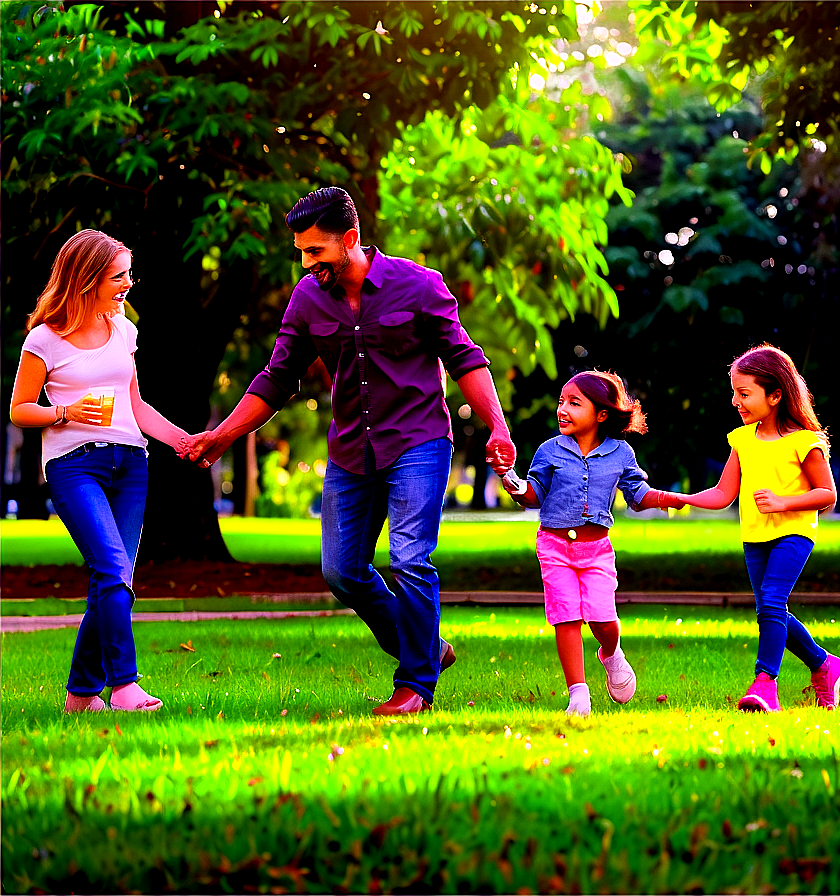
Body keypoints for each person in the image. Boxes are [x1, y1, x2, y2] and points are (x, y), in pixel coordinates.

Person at [181, 187, 515, 715]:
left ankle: (415, 688)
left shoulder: (419, 286)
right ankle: (426, 645)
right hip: (351, 452)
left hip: (418, 441)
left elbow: (465, 359)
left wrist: (497, 427)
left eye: (316, 252)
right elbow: (276, 379)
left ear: (351, 240)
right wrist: (220, 437)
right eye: (302, 252)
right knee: (342, 572)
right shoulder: (308, 298)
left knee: (410, 559)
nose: (307, 264)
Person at [9, 230, 190, 713]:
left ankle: (81, 696)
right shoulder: (44, 338)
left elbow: (135, 403)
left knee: (116, 578)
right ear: (87, 279)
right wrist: (62, 414)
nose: (128, 283)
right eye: (119, 275)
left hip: (131, 463)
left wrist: (181, 441)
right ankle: (126, 686)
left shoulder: (124, 327)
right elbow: (20, 409)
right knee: (112, 568)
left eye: (130, 273)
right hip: (73, 466)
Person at [659, 344, 840, 712]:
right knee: (769, 609)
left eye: (744, 394)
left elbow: (828, 494)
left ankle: (765, 685)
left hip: (793, 533)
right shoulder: (742, 439)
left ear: (775, 394)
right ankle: (825, 665)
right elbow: (723, 493)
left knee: (773, 601)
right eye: (734, 393)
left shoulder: (804, 442)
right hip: (755, 537)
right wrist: (683, 499)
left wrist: (783, 502)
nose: (735, 401)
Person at [501, 370, 675, 717]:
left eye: (574, 403)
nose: (562, 409)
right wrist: (514, 483)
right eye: (561, 402)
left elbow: (637, 496)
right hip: (553, 546)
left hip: (596, 550)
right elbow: (534, 494)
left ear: (601, 414)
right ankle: (578, 695)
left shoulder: (621, 453)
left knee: (602, 618)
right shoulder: (549, 450)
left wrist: (667, 498)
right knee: (565, 616)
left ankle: (611, 654)